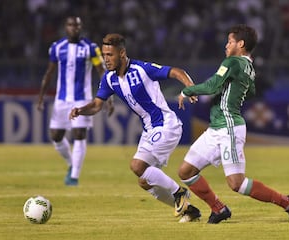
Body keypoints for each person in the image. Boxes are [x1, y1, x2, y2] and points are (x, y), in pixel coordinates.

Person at [177, 24, 289, 224]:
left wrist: (188, 90)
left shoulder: (233, 62)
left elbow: (213, 85)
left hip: (228, 127)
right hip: (217, 127)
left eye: (230, 41)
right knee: (186, 171)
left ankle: (288, 202)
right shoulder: (249, 66)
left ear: (241, 44)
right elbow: (251, 92)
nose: (226, 45)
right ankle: (218, 209)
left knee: (236, 183)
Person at [69, 33, 200, 222]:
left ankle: (179, 193)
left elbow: (177, 71)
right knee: (144, 181)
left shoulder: (142, 69)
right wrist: (81, 110)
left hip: (166, 125)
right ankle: (188, 210)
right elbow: (97, 105)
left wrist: (190, 87)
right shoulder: (109, 79)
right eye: (104, 55)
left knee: (137, 166)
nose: (106, 59)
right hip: (149, 130)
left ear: (122, 53)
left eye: (110, 55)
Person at [37, 16, 114, 186]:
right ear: (66, 27)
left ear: (81, 27)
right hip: (62, 99)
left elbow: (101, 71)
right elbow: (49, 73)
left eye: (77, 26)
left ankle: (74, 176)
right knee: (56, 136)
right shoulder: (57, 48)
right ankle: (72, 165)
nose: (74, 28)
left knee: (80, 134)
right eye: (71, 25)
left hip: (82, 98)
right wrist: (41, 97)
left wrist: (108, 96)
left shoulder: (91, 48)